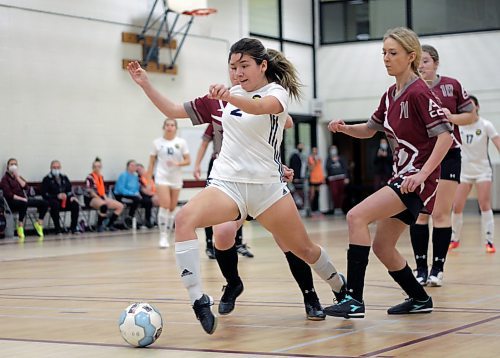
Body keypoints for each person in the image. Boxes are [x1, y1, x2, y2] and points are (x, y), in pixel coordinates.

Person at [127, 46, 340, 329]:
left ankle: (339, 288)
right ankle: (200, 299)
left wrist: (230, 95)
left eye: (244, 66)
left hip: (267, 188)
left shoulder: (276, 93)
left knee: (303, 249)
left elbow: (259, 107)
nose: (238, 73)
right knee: (186, 220)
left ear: (263, 66)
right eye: (233, 67)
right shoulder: (221, 97)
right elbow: (173, 110)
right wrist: (146, 84)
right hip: (228, 184)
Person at [324, 27, 453, 319]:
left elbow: (445, 137)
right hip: (402, 178)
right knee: (383, 246)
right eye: (383, 52)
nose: (386, 58)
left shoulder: (420, 92)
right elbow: (370, 129)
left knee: (355, 216)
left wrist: (422, 176)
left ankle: (354, 300)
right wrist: (345, 129)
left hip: (416, 181)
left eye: (392, 53)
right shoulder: (390, 95)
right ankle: (420, 298)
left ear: (411, 56)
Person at [409, 44, 477, 287]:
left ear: (436, 63)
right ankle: (420, 269)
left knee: (440, 213)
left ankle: (437, 268)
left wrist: (450, 117)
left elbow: (471, 115)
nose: (421, 66)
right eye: (419, 62)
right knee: (419, 214)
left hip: (448, 154)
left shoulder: (451, 85)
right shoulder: (410, 89)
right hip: (420, 158)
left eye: (426, 61)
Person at [193, 124, 254, 259]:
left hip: (238, 164)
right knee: (211, 205)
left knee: (240, 203)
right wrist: (197, 164)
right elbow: (203, 144)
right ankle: (210, 245)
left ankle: (237, 243)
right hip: (217, 163)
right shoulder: (214, 119)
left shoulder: (243, 116)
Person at [451, 95, 500, 253]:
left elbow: (497, 143)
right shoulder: (459, 125)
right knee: (457, 206)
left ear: (477, 107)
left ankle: (489, 241)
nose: (469, 108)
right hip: (463, 171)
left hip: (483, 170)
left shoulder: (486, 125)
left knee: (484, 205)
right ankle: (454, 239)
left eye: (471, 105)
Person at [147, 118, 190, 247]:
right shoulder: (157, 143)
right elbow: (151, 163)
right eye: (167, 125)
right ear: (163, 127)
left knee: (172, 207)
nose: (170, 127)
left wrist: (178, 163)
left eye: (172, 125)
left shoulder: (181, 142)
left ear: (175, 128)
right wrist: (149, 180)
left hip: (176, 177)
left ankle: (169, 233)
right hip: (162, 177)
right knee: (164, 205)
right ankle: (163, 236)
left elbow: (188, 160)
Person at [0, 158, 48, 240]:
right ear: (8, 167)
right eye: (12, 164)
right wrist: (22, 199)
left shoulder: (18, 177)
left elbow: (26, 188)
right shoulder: (4, 179)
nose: (14, 166)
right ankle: (20, 226)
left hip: (23, 200)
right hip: (12, 202)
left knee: (44, 203)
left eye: (15, 164)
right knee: (24, 203)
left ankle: (39, 223)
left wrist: (17, 177)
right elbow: (9, 195)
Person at [84, 157, 124, 232]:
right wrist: (101, 199)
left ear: (101, 167)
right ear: (92, 167)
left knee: (120, 206)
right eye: (95, 167)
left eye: (99, 166)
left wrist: (105, 198)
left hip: (101, 196)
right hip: (91, 198)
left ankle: (110, 224)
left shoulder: (101, 177)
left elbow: (102, 191)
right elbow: (91, 191)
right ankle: (99, 225)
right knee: (104, 205)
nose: (97, 168)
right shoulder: (89, 177)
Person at [41, 160, 81, 234]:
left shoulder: (64, 178)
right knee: (55, 204)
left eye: (58, 167)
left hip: (65, 200)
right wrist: (57, 196)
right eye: (54, 167)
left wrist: (71, 196)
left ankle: (73, 228)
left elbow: (69, 190)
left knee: (75, 203)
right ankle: (58, 229)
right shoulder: (46, 179)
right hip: (53, 200)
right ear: (50, 168)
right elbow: (44, 194)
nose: (56, 169)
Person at [114, 160, 153, 228]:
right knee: (136, 199)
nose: (134, 167)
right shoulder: (123, 175)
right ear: (128, 166)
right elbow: (120, 189)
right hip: (121, 196)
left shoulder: (135, 177)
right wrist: (133, 194)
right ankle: (130, 217)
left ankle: (147, 220)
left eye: (135, 165)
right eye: (132, 165)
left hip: (133, 195)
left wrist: (138, 193)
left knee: (148, 201)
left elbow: (136, 188)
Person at [325, 145, 349, 214]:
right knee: (334, 193)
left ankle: (340, 208)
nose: (333, 150)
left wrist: (346, 177)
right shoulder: (329, 159)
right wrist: (332, 161)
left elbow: (345, 167)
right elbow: (327, 168)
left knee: (341, 193)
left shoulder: (341, 157)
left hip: (341, 177)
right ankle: (336, 208)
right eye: (332, 149)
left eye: (334, 148)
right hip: (333, 179)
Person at [288, 142, 306, 209]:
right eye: (300, 146)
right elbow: (293, 167)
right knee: (297, 192)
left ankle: (301, 206)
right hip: (296, 178)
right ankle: (296, 207)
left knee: (302, 192)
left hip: (301, 178)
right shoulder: (294, 156)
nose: (302, 147)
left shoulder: (302, 156)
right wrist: (295, 177)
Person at [308, 147, 324, 215]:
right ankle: (312, 210)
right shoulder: (310, 158)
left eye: (316, 150)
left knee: (318, 194)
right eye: (314, 150)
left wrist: (322, 178)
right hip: (313, 179)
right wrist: (314, 161)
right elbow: (311, 168)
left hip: (318, 179)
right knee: (312, 195)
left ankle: (317, 209)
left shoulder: (319, 158)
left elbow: (320, 168)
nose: (315, 151)